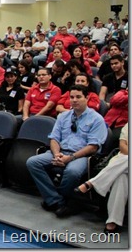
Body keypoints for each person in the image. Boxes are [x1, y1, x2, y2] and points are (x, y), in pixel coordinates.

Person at [26, 85, 107, 218]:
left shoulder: (97, 119)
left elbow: (93, 147)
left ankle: (59, 200)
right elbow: (54, 138)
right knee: (33, 162)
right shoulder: (63, 116)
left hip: (82, 155)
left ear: (87, 98)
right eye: (72, 97)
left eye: (78, 97)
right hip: (60, 151)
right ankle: (57, 201)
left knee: (72, 172)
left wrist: (70, 158)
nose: (74, 100)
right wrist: (57, 154)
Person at [74, 122, 128, 234]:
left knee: (124, 163)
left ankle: (92, 183)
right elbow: (123, 147)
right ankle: (113, 220)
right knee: (121, 177)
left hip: (122, 162)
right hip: (124, 166)